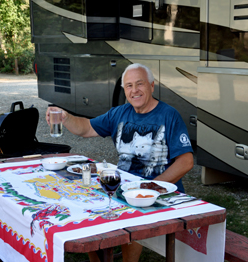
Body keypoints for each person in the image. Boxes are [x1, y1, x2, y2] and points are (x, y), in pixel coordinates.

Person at [46, 63, 194, 262]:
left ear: (152, 86)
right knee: (87, 207)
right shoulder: (119, 113)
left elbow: (186, 162)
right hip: (123, 186)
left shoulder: (169, 115)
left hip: (157, 193)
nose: (134, 90)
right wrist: (66, 117)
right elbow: (86, 128)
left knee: (133, 216)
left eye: (140, 84)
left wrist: (152, 187)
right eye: (129, 86)